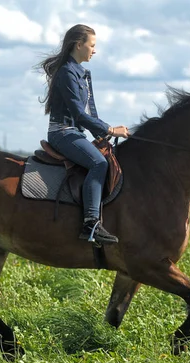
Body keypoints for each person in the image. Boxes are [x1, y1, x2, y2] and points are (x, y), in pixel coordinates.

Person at [37, 24, 130, 245]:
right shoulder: (67, 73)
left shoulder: (79, 72)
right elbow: (79, 114)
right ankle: (91, 223)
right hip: (63, 133)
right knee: (99, 163)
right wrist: (109, 129)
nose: (94, 50)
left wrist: (100, 134)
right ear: (79, 45)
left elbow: (88, 112)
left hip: (75, 132)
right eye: (92, 45)